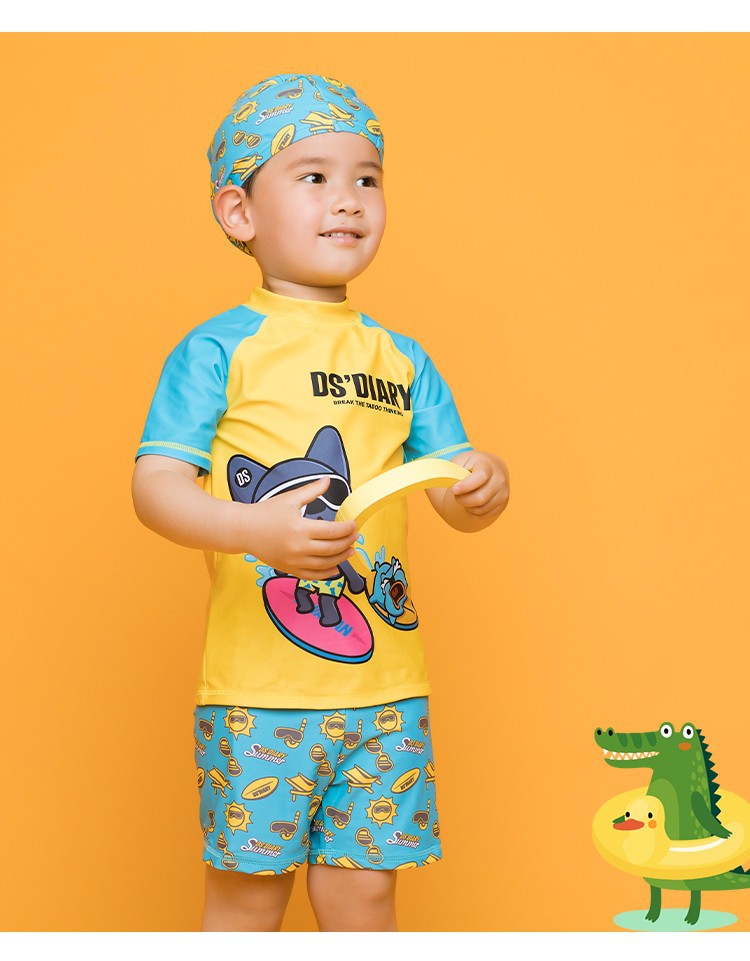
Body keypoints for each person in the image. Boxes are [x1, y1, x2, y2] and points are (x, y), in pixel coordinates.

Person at [132, 73, 509, 933]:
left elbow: (452, 490)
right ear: (239, 212)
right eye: (314, 176)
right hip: (257, 694)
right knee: (248, 895)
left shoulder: (401, 357)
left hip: (387, 690)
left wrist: (484, 484)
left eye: (367, 178)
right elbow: (155, 488)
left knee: (365, 893)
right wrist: (254, 529)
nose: (348, 199)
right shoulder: (219, 349)